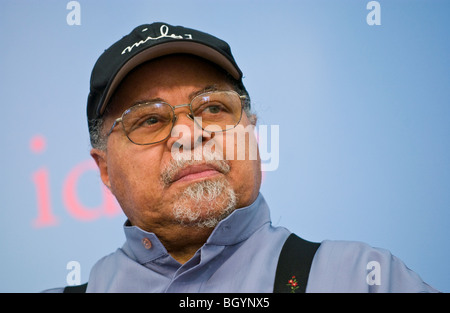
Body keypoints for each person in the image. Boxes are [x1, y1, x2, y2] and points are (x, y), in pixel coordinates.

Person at [46, 22, 438, 293]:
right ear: (104, 170)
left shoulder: (365, 280)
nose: (189, 133)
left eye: (214, 108)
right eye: (149, 119)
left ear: (250, 130)